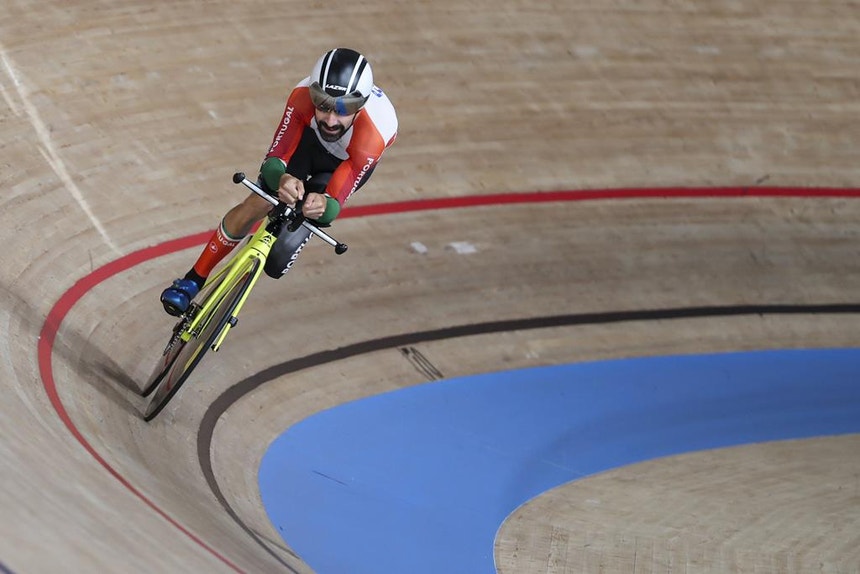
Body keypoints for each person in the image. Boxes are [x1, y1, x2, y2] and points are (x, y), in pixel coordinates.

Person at [160, 48, 398, 316]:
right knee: (261, 198)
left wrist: (322, 204)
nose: (331, 120)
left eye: (344, 110)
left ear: (361, 105)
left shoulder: (375, 133)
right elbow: (275, 159)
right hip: (309, 144)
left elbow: (333, 204)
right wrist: (282, 177)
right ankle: (193, 279)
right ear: (313, 95)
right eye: (323, 104)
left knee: (276, 262)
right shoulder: (301, 96)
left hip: (343, 165)